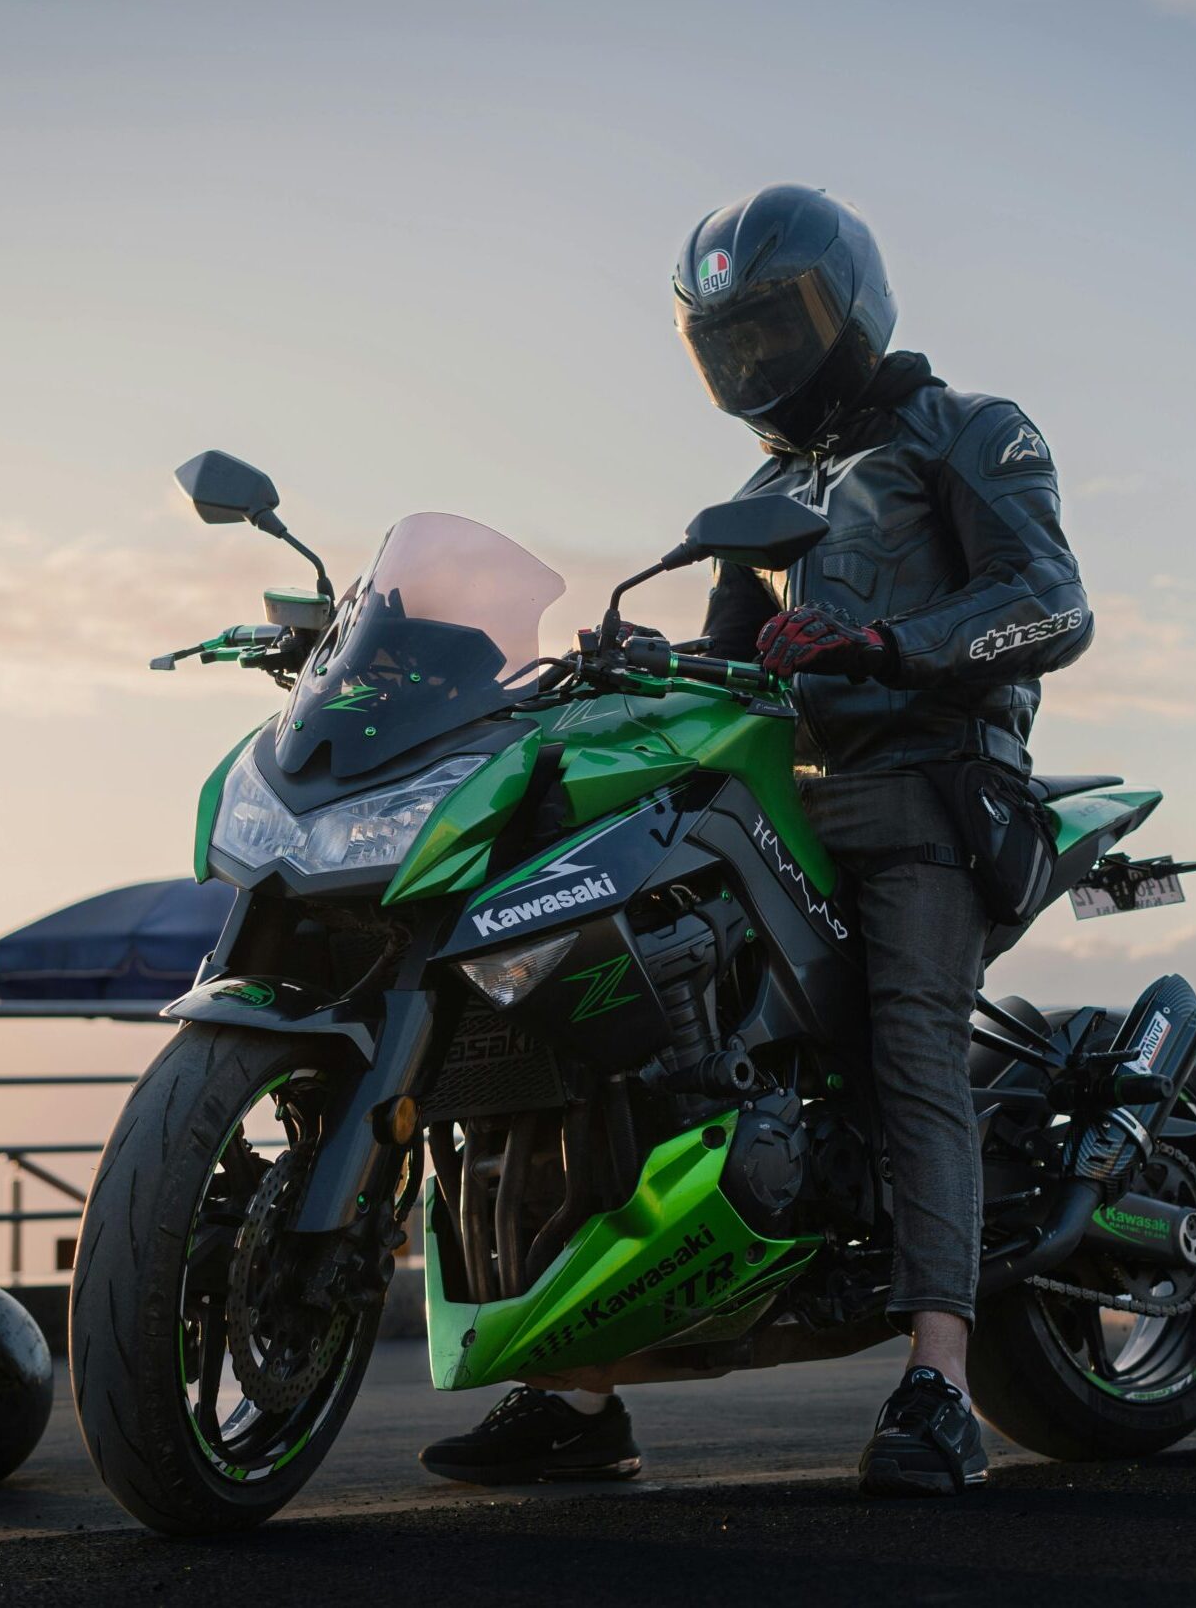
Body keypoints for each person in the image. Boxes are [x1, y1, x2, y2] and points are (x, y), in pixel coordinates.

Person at [421, 183, 1094, 1497]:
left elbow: (1051, 605)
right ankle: (579, 1391)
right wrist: (616, 665)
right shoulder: (762, 492)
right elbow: (722, 666)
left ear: (845, 307)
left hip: (928, 795)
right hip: (775, 806)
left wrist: (897, 648)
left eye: (774, 329)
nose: (756, 362)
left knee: (910, 1045)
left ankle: (942, 1385)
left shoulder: (969, 431)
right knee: (620, 1029)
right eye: (728, 343)